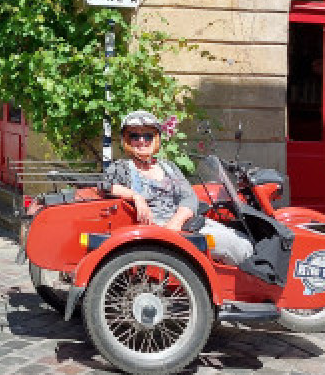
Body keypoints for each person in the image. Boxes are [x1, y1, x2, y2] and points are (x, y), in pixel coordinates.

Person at [102, 110, 254, 266]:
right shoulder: (123, 167)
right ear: (127, 140)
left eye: (148, 136)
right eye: (135, 136)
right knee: (235, 246)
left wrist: (176, 222)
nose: (142, 141)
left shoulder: (168, 166)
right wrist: (136, 196)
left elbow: (189, 197)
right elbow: (105, 186)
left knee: (244, 239)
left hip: (183, 225)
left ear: (156, 139)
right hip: (157, 232)